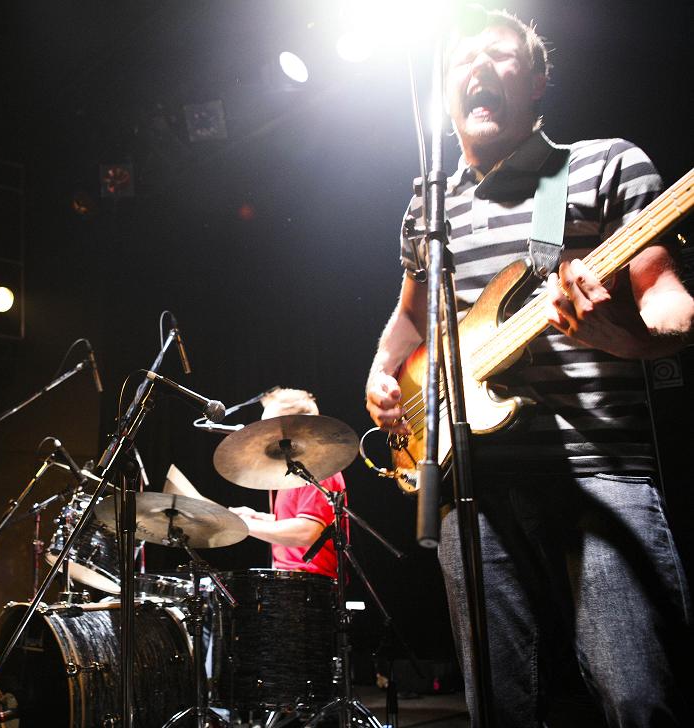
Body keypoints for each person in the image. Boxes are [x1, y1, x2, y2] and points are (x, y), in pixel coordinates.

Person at [363, 8, 693, 726]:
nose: (477, 67)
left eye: (500, 54)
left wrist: (621, 335)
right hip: (472, 485)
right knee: (500, 709)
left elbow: (671, 305)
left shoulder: (608, 165)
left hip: (599, 471)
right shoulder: (428, 206)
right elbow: (412, 317)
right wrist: (382, 372)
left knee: (639, 700)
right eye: (462, 59)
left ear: (539, 80)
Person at [228, 387, 346, 579]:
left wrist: (244, 525)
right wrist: (257, 517)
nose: (261, 434)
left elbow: (307, 531)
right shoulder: (293, 472)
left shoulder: (318, 470)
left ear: (295, 428)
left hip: (311, 583)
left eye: (268, 427)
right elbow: (294, 519)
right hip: (291, 580)